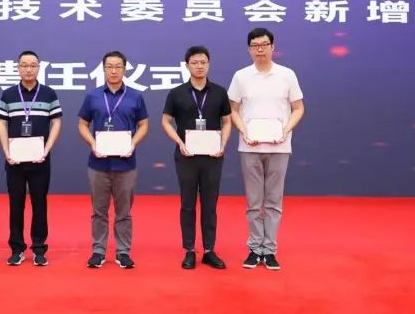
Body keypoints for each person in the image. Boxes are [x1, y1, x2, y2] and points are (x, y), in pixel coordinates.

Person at [228, 28, 305, 271]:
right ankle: (254, 248)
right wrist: (243, 131)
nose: (259, 49)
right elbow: (232, 110)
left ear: (273, 47)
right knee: (253, 202)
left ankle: (269, 250)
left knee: (273, 201)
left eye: (264, 45)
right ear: (249, 49)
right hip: (249, 147)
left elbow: (298, 108)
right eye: (255, 46)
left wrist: (286, 130)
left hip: (279, 147)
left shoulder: (286, 75)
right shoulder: (241, 76)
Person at [160, 45, 232, 270]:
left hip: (213, 156)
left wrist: (222, 144)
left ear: (208, 64)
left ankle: (209, 250)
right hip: (187, 156)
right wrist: (179, 142)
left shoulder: (219, 92)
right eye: (195, 63)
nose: (199, 66)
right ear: (187, 66)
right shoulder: (177, 93)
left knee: (210, 204)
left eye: (203, 62)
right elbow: (165, 121)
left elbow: (227, 121)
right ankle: (189, 250)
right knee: (188, 204)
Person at [77, 50, 149, 269]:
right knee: (98, 211)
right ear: (104, 69)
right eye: (109, 66)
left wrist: (132, 144)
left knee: (123, 212)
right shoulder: (93, 96)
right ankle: (98, 251)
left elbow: (144, 125)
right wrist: (93, 144)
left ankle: (123, 252)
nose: (114, 71)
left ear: (125, 69)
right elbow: (82, 124)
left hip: (126, 164)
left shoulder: (135, 96)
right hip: (98, 164)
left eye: (118, 66)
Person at [0, 50, 62, 267]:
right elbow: (2, 123)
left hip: (40, 160)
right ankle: (17, 248)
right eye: (24, 65)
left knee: (39, 204)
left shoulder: (49, 94)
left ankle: (39, 248)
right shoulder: (8, 94)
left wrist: (47, 149)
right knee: (16, 205)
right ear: (18, 68)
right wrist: (6, 151)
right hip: (14, 160)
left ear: (39, 67)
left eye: (33, 65)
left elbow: (56, 122)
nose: (28, 69)